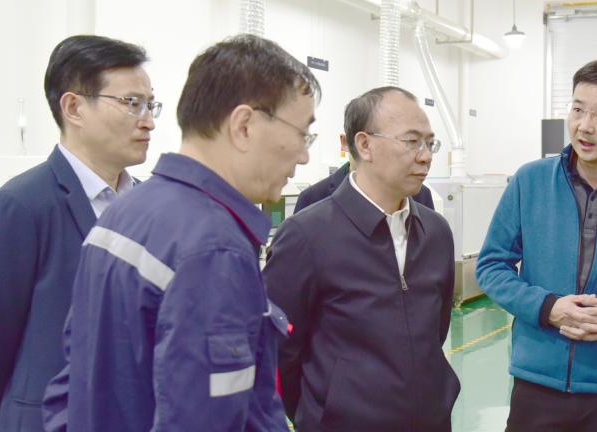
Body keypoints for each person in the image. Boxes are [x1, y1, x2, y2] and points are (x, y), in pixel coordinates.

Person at [41, 34, 317, 431]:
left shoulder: (124, 212)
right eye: (302, 134)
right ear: (244, 126)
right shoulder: (214, 249)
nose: (303, 155)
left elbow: (69, 387)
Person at [0, 35, 156, 432]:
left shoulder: (149, 207)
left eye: (150, 104)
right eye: (131, 103)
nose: (148, 120)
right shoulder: (19, 210)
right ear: (74, 108)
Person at [264, 86, 459, 431]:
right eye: (412, 142)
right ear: (365, 145)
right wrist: (321, 412)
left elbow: (436, 331)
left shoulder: (436, 233)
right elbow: (280, 351)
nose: (426, 156)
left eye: (430, 143)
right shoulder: (306, 235)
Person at [476, 59, 597, 431]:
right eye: (578, 109)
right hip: (537, 383)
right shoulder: (530, 181)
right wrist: (547, 307)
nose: (585, 126)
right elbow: (491, 266)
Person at [294, 133, 434, 212]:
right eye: (363, 143)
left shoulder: (420, 195)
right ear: (345, 142)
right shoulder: (312, 198)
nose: (367, 150)